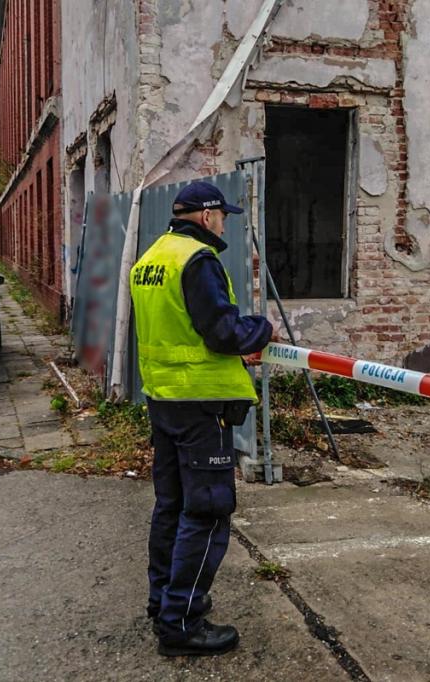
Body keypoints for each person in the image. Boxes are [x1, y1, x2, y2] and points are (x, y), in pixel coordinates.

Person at [130, 180, 276, 657]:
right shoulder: (198, 260)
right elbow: (222, 332)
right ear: (207, 216)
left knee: (171, 506)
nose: (225, 225)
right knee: (208, 511)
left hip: (164, 399)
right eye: (223, 217)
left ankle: (163, 602)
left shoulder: (152, 258)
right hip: (201, 406)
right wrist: (261, 329)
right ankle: (181, 624)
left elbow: (177, 330)